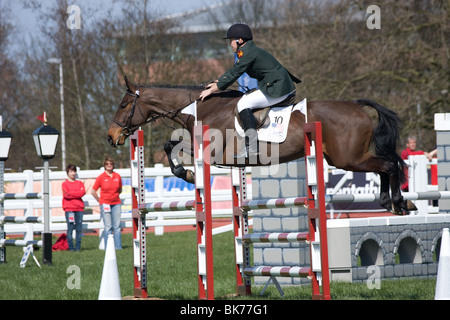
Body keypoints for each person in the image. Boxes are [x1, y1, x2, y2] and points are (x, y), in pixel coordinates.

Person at [199, 23, 301, 159]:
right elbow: (234, 71)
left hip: (279, 88)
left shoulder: (248, 52)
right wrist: (218, 82)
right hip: (277, 85)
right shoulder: (247, 51)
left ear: (239, 40)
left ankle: (252, 147)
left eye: (231, 40)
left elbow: (236, 72)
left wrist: (213, 90)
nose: (230, 44)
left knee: (243, 104)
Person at [92, 156, 123, 249]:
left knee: (117, 226)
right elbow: (93, 191)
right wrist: (100, 200)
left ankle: (118, 247)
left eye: (111, 164)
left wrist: (115, 195)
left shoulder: (117, 176)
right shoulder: (101, 177)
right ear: (104, 165)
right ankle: (108, 248)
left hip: (116, 203)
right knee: (108, 226)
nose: (109, 165)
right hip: (105, 203)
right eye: (107, 164)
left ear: (113, 165)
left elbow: (120, 189)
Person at [62, 164, 86, 251]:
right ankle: (71, 248)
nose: (73, 173)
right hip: (69, 209)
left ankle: (78, 248)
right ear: (67, 173)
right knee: (70, 228)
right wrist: (77, 193)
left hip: (79, 208)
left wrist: (72, 193)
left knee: (79, 229)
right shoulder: (64, 184)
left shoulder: (79, 183)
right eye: (71, 171)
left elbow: (82, 192)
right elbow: (66, 195)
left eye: (74, 171)